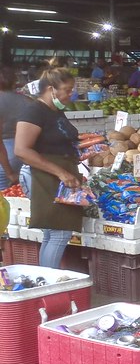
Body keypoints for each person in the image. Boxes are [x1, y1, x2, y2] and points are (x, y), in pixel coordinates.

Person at [13, 69, 83, 269]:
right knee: (60, 232)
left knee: (52, 233)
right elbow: (21, 150)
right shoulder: (34, 111)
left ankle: (45, 282)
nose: (71, 95)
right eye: (67, 90)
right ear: (51, 89)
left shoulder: (55, 110)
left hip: (58, 173)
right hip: (43, 175)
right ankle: (48, 286)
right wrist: (61, 172)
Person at [0, 67, 31, 189]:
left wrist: (9, 172)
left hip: (3, 158)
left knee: (3, 201)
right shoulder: (27, 101)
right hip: (25, 153)